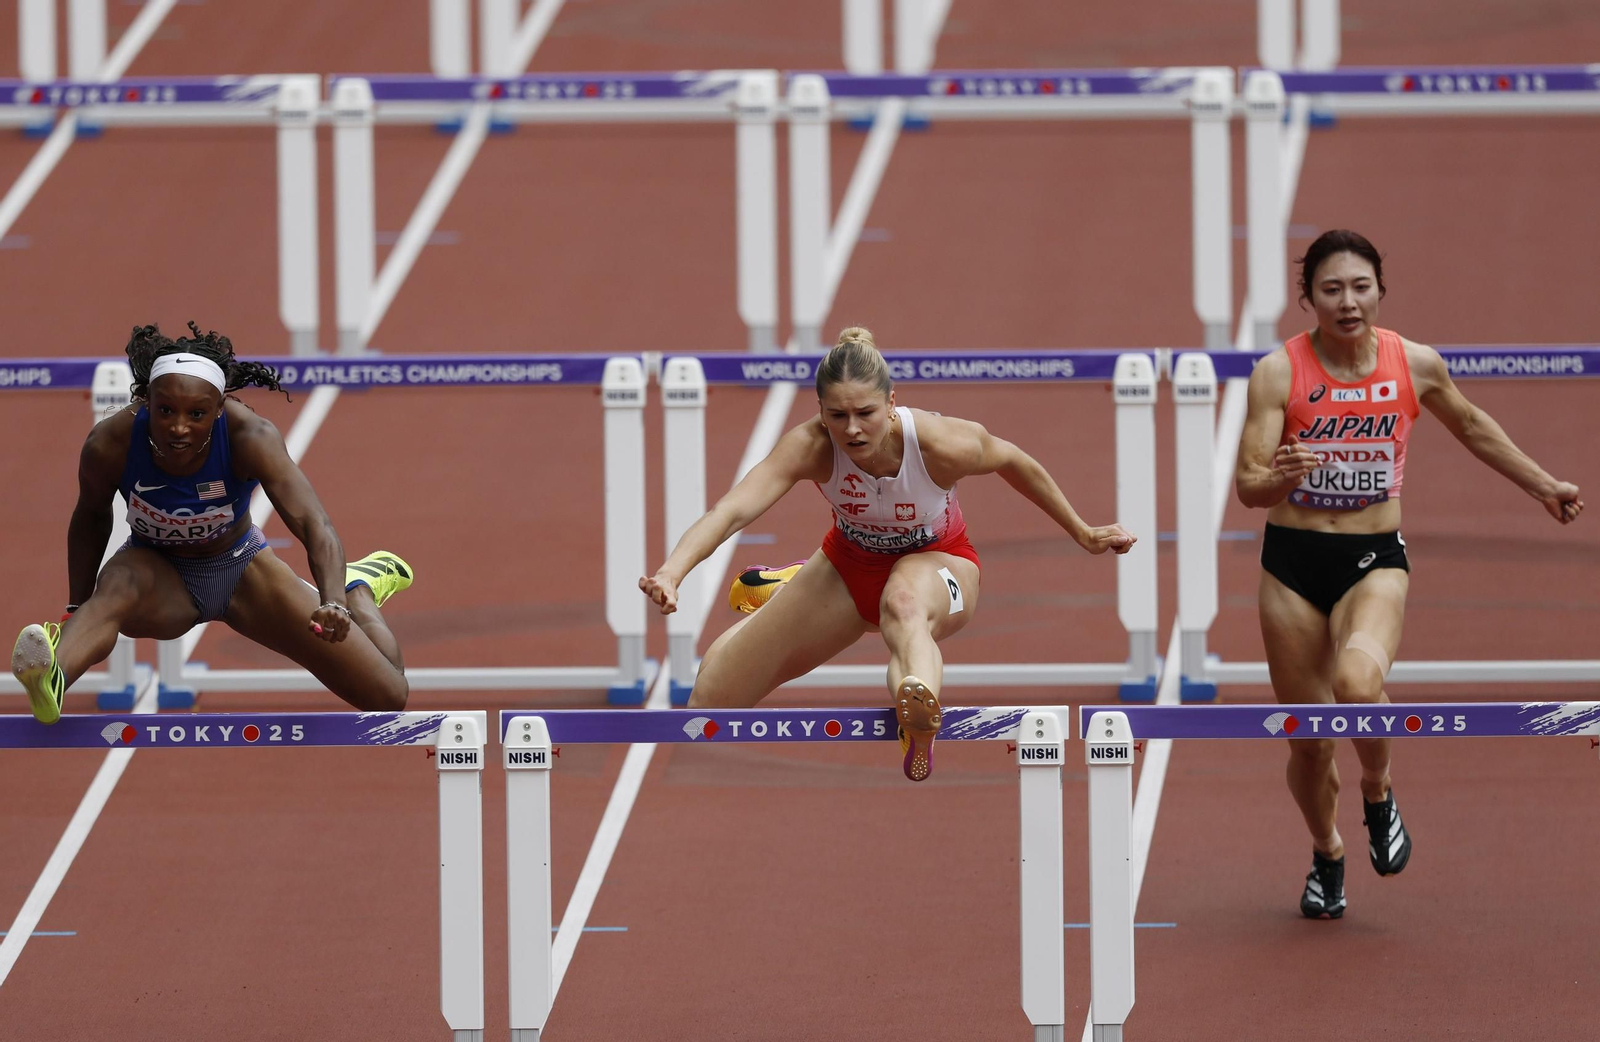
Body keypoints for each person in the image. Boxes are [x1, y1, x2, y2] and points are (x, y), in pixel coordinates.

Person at [1234, 230, 1583, 919]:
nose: (1348, 301)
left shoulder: (1414, 363)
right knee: (1310, 742)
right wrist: (1278, 477)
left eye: (1360, 287)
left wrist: (1543, 485)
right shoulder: (1278, 373)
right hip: (1293, 566)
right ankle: (1328, 852)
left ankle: (1378, 786)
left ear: (1380, 291)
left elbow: (1472, 424)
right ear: (1308, 299)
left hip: (1373, 559)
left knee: (1358, 685)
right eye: (1331, 289)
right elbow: (1248, 486)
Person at [640, 326, 1135, 781]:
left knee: (902, 602)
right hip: (846, 568)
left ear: (892, 402)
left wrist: (1082, 531)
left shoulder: (940, 443)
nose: (852, 430)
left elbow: (1014, 461)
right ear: (820, 410)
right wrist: (671, 572)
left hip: (942, 565)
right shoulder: (811, 446)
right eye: (837, 416)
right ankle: (790, 589)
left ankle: (918, 716)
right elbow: (731, 510)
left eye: (866, 413)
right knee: (710, 705)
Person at [11, 323, 414, 723]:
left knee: (388, 695)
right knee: (116, 586)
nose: (179, 427)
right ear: (147, 400)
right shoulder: (109, 443)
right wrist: (75, 609)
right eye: (165, 410)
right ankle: (54, 675)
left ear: (219, 408)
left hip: (244, 572)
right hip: (157, 576)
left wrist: (334, 601)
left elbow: (314, 523)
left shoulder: (251, 437)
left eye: (197, 414)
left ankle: (358, 588)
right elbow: (91, 515)